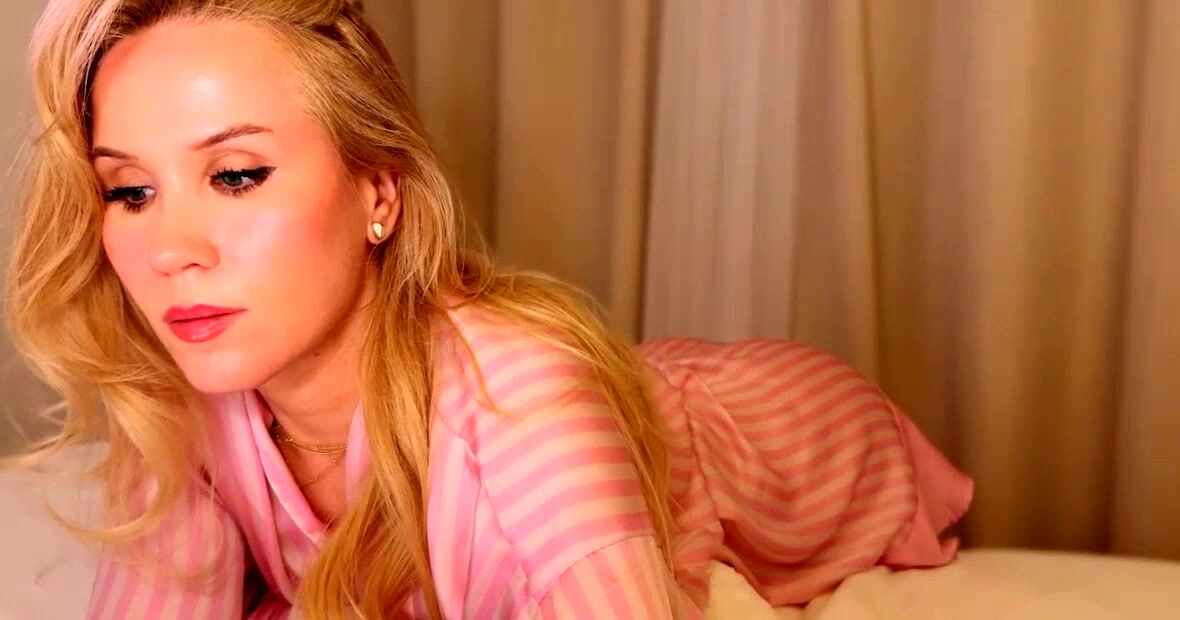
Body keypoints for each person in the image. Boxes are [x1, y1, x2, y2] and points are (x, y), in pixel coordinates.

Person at [4, 0, 972, 618]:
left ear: (379, 192)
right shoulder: (185, 389)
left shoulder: (524, 410)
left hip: (792, 433)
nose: (171, 249)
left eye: (237, 174)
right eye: (130, 191)